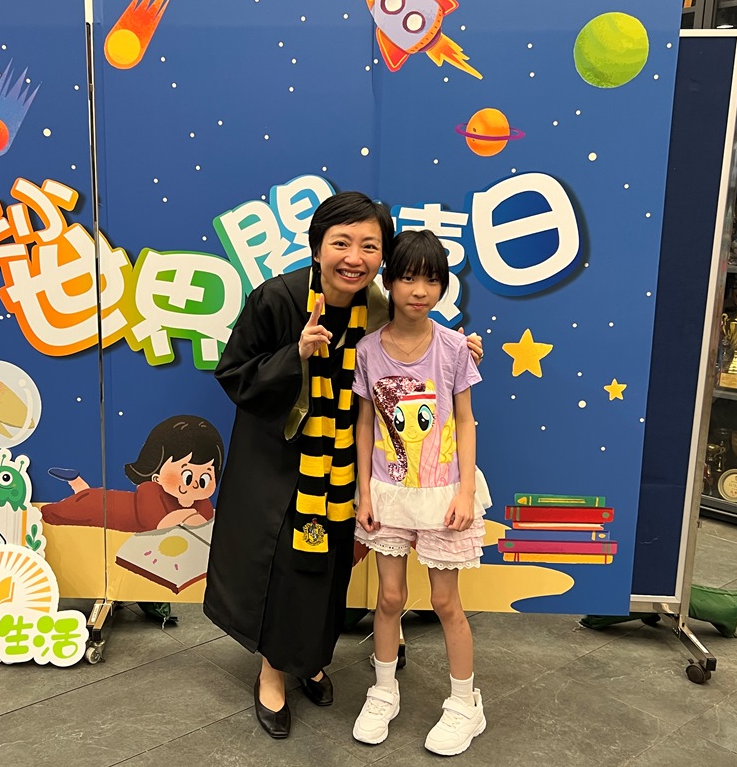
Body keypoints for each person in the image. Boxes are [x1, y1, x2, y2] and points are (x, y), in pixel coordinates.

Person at [203, 192, 483, 739]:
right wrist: (294, 354)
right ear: (317, 247)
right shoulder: (278, 298)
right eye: (342, 243)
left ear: (383, 258)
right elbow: (234, 374)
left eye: (369, 246)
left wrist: (463, 347)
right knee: (286, 568)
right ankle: (272, 673)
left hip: (348, 465)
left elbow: (415, 348)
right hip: (282, 465)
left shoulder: (375, 306)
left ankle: (309, 659)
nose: (354, 258)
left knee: (328, 571)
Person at [350, 230, 491, 755]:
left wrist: (463, 491)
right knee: (389, 598)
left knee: (445, 601)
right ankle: (383, 692)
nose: (419, 290)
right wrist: (364, 492)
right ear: (388, 282)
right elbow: (366, 423)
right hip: (388, 493)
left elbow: (466, 421)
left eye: (432, 279)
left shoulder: (454, 347)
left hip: (442, 495)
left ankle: (465, 704)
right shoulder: (368, 350)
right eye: (408, 277)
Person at [40, 414, 223, 531]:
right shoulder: (150, 490)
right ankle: (75, 481)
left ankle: (77, 482)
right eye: (187, 476)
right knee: (69, 509)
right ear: (156, 476)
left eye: (205, 478)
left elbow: (206, 521)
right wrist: (189, 517)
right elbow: (159, 524)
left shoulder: (201, 501)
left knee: (86, 494)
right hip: (103, 506)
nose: (196, 484)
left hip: (105, 501)